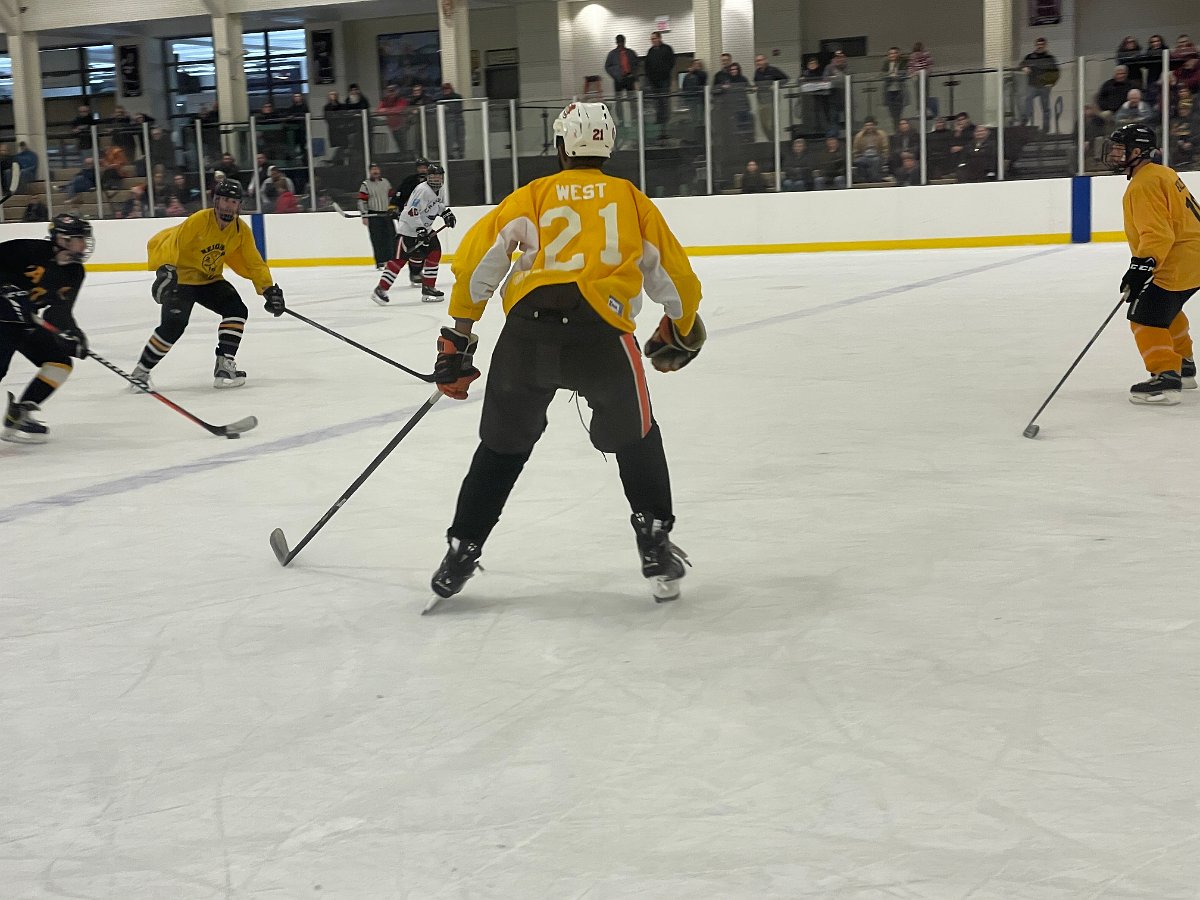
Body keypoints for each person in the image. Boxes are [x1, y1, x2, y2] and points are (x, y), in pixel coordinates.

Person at [424, 101, 704, 608]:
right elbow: (674, 275)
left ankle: (461, 551)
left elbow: (479, 260)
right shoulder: (631, 199)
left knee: (501, 447)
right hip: (602, 338)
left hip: (526, 337)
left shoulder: (533, 195)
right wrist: (683, 326)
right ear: (608, 147)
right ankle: (655, 543)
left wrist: (459, 336)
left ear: (560, 146)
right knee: (637, 437)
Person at [128, 180, 285, 391]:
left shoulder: (240, 230)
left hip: (209, 279)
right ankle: (141, 372)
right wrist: (166, 269)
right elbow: (174, 243)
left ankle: (224, 365)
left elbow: (254, 263)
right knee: (174, 325)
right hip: (181, 279)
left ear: (239, 205)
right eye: (225, 200)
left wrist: (268, 289)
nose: (229, 206)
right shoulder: (199, 220)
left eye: (234, 202)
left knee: (236, 310)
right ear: (216, 201)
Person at [1103, 123, 1200, 404]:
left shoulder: (1142, 185)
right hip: (1192, 257)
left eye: (1120, 149)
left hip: (1177, 260)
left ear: (1138, 152)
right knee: (1166, 309)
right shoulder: (1163, 173)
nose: (1115, 154)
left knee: (1144, 316)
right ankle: (1184, 366)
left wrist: (1142, 265)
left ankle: (1165, 377)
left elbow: (1158, 233)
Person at [0, 214, 94, 443]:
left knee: (59, 362)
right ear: (62, 239)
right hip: (2, 318)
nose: (85, 245)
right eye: (80, 239)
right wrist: (5, 287)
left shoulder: (74, 272)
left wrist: (72, 334)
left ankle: (19, 415)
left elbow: (59, 311)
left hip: (26, 322)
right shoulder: (27, 249)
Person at [372, 163, 455, 304]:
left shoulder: (440, 190)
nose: (436, 179)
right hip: (409, 231)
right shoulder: (422, 190)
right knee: (399, 261)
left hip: (425, 230)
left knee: (435, 253)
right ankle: (380, 289)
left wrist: (446, 213)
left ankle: (428, 288)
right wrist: (419, 229)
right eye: (433, 176)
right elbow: (411, 211)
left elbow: (438, 205)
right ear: (428, 177)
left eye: (439, 177)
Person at [392, 157, 431, 285]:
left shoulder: (432, 182)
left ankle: (416, 271)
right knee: (410, 245)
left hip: (423, 218)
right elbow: (399, 196)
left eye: (424, 167)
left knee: (422, 245)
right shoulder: (409, 181)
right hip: (408, 218)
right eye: (420, 167)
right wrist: (393, 207)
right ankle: (414, 272)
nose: (422, 170)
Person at [358, 162, 395, 269]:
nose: (375, 171)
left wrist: (393, 209)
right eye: (373, 169)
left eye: (377, 169)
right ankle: (380, 261)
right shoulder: (365, 184)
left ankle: (391, 260)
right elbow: (361, 201)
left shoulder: (386, 182)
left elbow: (391, 197)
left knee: (391, 237)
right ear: (369, 171)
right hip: (373, 215)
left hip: (386, 214)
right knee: (377, 239)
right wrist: (364, 215)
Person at [1020, 37, 1059, 131]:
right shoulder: (1030, 57)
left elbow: (1056, 72)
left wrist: (1051, 83)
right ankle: (1025, 119)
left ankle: (1046, 127)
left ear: (1045, 45)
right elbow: (1022, 64)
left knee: (1045, 106)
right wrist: (1024, 67)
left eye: (1042, 45)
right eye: (1038, 45)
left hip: (1044, 85)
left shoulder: (1050, 58)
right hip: (1032, 84)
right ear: (1035, 45)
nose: (1040, 46)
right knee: (1028, 99)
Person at [644, 32, 675, 132]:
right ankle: (659, 119)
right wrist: (649, 77)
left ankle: (665, 120)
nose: (653, 41)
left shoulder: (667, 49)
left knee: (664, 100)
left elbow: (671, 62)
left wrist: (664, 71)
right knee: (657, 101)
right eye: (652, 39)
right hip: (654, 81)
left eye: (654, 38)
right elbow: (647, 66)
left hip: (664, 79)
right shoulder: (650, 51)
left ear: (659, 38)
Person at [604, 35, 639, 125]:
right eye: (619, 42)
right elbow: (607, 67)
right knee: (619, 101)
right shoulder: (612, 54)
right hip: (618, 80)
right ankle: (621, 120)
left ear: (624, 42)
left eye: (622, 42)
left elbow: (637, 64)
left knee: (632, 100)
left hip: (629, 78)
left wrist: (634, 75)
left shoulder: (630, 53)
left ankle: (634, 119)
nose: (620, 44)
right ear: (616, 42)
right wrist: (615, 75)